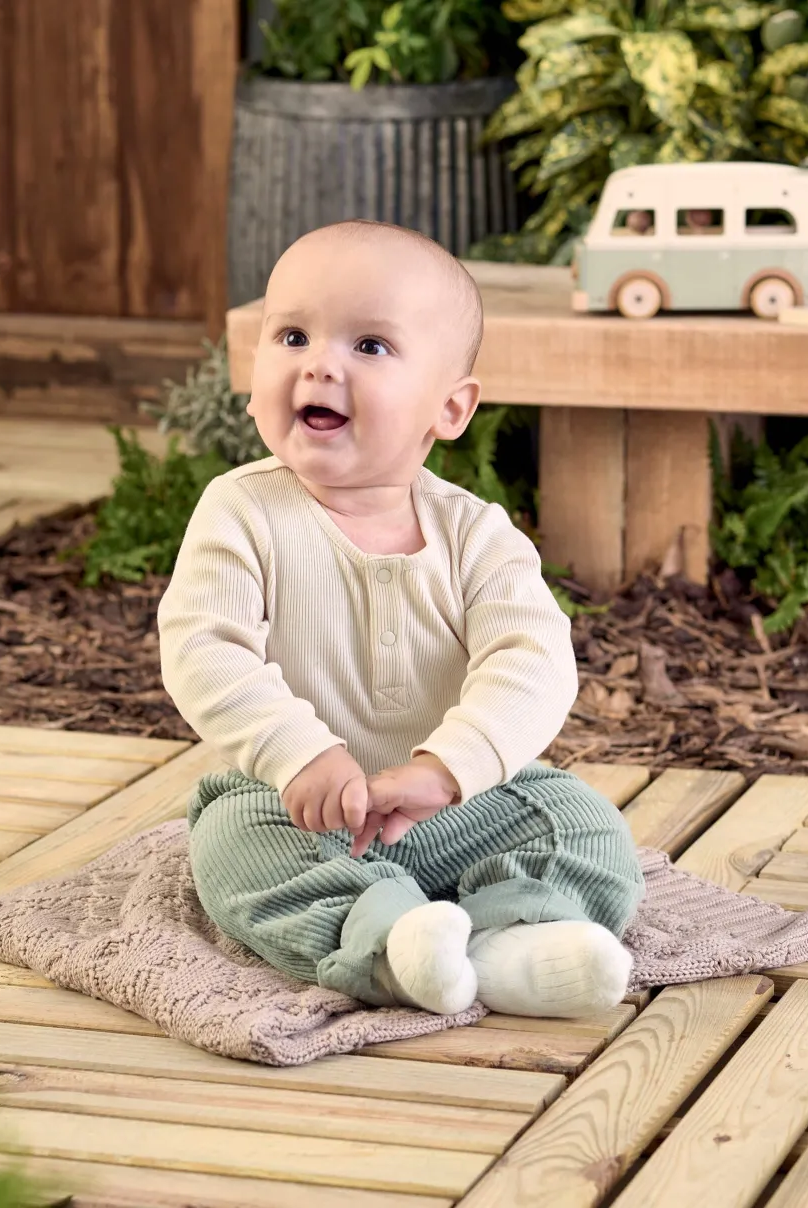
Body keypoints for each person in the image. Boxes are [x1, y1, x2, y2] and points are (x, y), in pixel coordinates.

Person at [157, 220, 645, 1019]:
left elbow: (534, 659)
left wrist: (448, 768)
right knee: (229, 847)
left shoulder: (476, 533)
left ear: (449, 410)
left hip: (458, 805)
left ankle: (516, 941)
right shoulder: (241, 510)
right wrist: (298, 755)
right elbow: (206, 648)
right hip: (301, 809)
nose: (318, 362)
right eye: (292, 335)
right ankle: (389, 942)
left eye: (370, 346)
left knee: (582, 823)